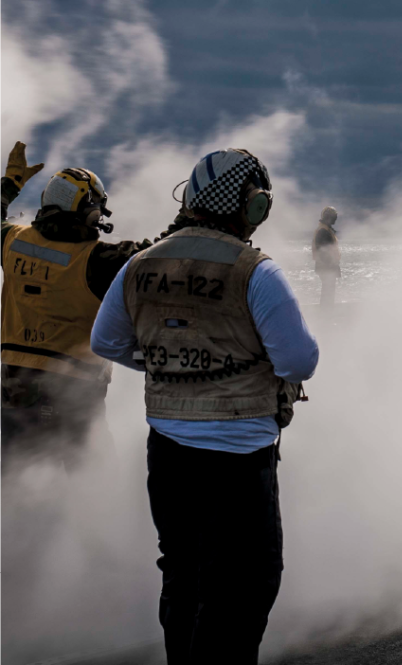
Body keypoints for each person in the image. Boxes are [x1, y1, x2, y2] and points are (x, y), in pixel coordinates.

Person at [91, 147, 319, 665]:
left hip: (167, 452)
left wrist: (173, 366)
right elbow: (299, 361)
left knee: (183, 576)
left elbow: (105, 343)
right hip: (241, 458)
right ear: (249, 204)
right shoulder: (256, 272)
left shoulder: (139, 265)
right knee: (245, 584)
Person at [0, 141, 181, 477]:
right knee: (93, 486)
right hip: (75, 394)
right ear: (89, 210)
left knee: (13, 491)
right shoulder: (98, 260)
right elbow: (161, 254)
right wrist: (189, 217)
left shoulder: (13, 241)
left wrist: (10, 184)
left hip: (15, 390)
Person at [312, 205, 341, 308]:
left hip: (326, 267)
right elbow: (323, 251)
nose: (334, 219)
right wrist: (330, 265)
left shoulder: (325, 229)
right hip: (326, 267)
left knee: (328, 292)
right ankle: (326, 314)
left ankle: (326, 313)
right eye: (333, 217)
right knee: (328, 293)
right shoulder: (323, 231)